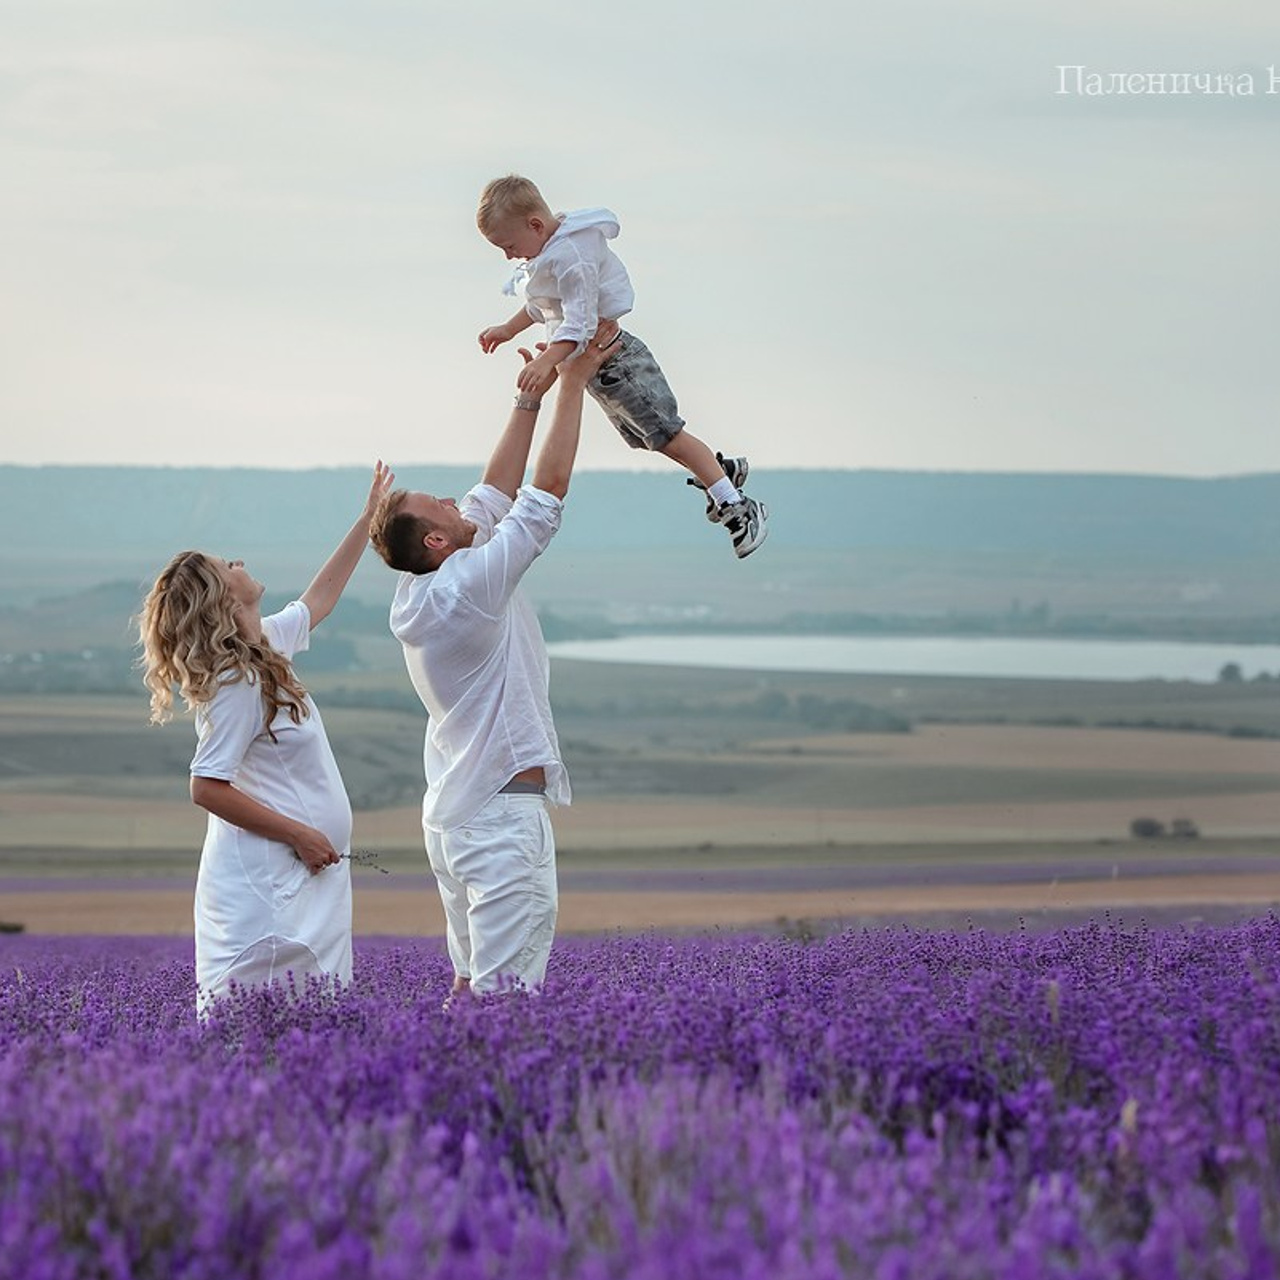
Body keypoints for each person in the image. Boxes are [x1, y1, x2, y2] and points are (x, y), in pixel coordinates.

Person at [368, 336, 617, 1001]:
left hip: (456, 818)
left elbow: (493, 492)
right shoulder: (470, 587)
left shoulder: (422, 588)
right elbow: (545, 493)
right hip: (502, 821)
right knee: (504, 1005)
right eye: (443, 507)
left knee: (466, 990)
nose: (459, 500)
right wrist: (574, 380)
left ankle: (426, 1095)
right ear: (436, 541)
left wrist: (527, 397)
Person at [138, 463, 394, 1016]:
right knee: (257, 1024)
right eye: (225, 565)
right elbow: (206, 786)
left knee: (309, 1022)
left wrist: (367, 518)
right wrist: (300, 833)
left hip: (302, 874)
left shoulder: (266, 648)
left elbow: (319, 599)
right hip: (268, 882)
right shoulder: (237, 682)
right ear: (220, 598)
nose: (239, 562)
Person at [475, 173, 769, 560]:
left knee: (667, 434)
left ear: (534, 225)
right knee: (650, 438)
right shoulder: (548, 254)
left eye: (509, 246)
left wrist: (549, 358)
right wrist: (509, 329)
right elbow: (541, 304)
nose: (509, 256)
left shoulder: (573, 257)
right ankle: (719, 471)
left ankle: (736, 505)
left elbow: (578, 324)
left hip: (617, 358)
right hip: (597, 367)